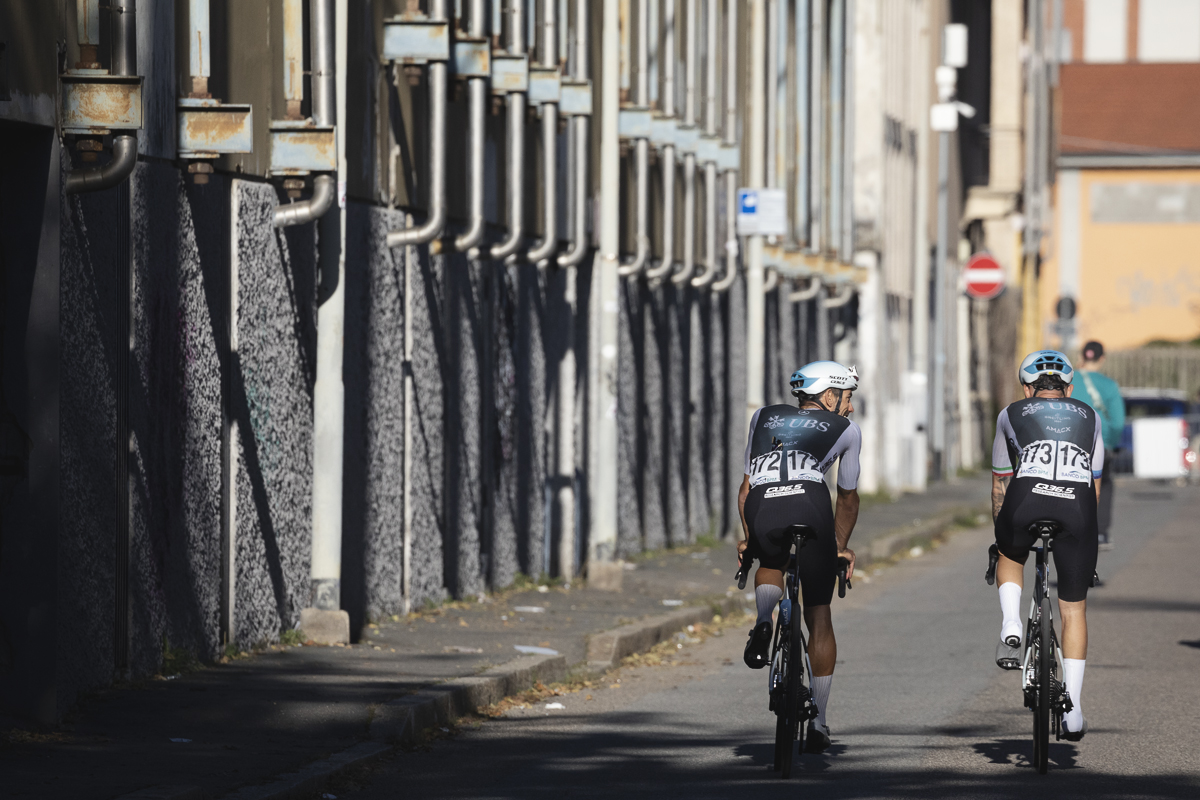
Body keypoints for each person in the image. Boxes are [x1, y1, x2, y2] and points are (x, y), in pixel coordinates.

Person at [738, 361, 862, 754]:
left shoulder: (763, 416)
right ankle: (821, 722)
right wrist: (839, 545)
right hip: (811, 505)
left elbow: (746, 487)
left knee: (769, 563)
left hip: (763, 505)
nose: (850, 408)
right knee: (819, 613)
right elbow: (846, 496)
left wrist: (748, 538)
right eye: (847, 398)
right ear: (828, 396)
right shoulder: (846, 430)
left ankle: (763, 621)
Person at [991, 350, 1103, 741]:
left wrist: (1002, 534)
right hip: (1078, 510)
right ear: (1070, 389)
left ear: (1026, 389)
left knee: (1009, 553)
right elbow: (1095, 483)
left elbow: (1000, 482)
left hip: (1025, 501)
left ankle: (1011, 623)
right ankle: (1073, 711)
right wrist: (1086, 535)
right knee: (1073, 609)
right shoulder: (1090, 416)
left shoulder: (1010, 413)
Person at [1072, 340, 1124, 550]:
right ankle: (1101, 532)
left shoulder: (1068, 380)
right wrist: (1111, 443)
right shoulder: (1109, 385)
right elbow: (1118, 422)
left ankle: (1068, 527)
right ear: (1101, 359)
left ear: (1082, 355)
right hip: (1099, 443)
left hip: (1071, 443)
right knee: (1105, 483)